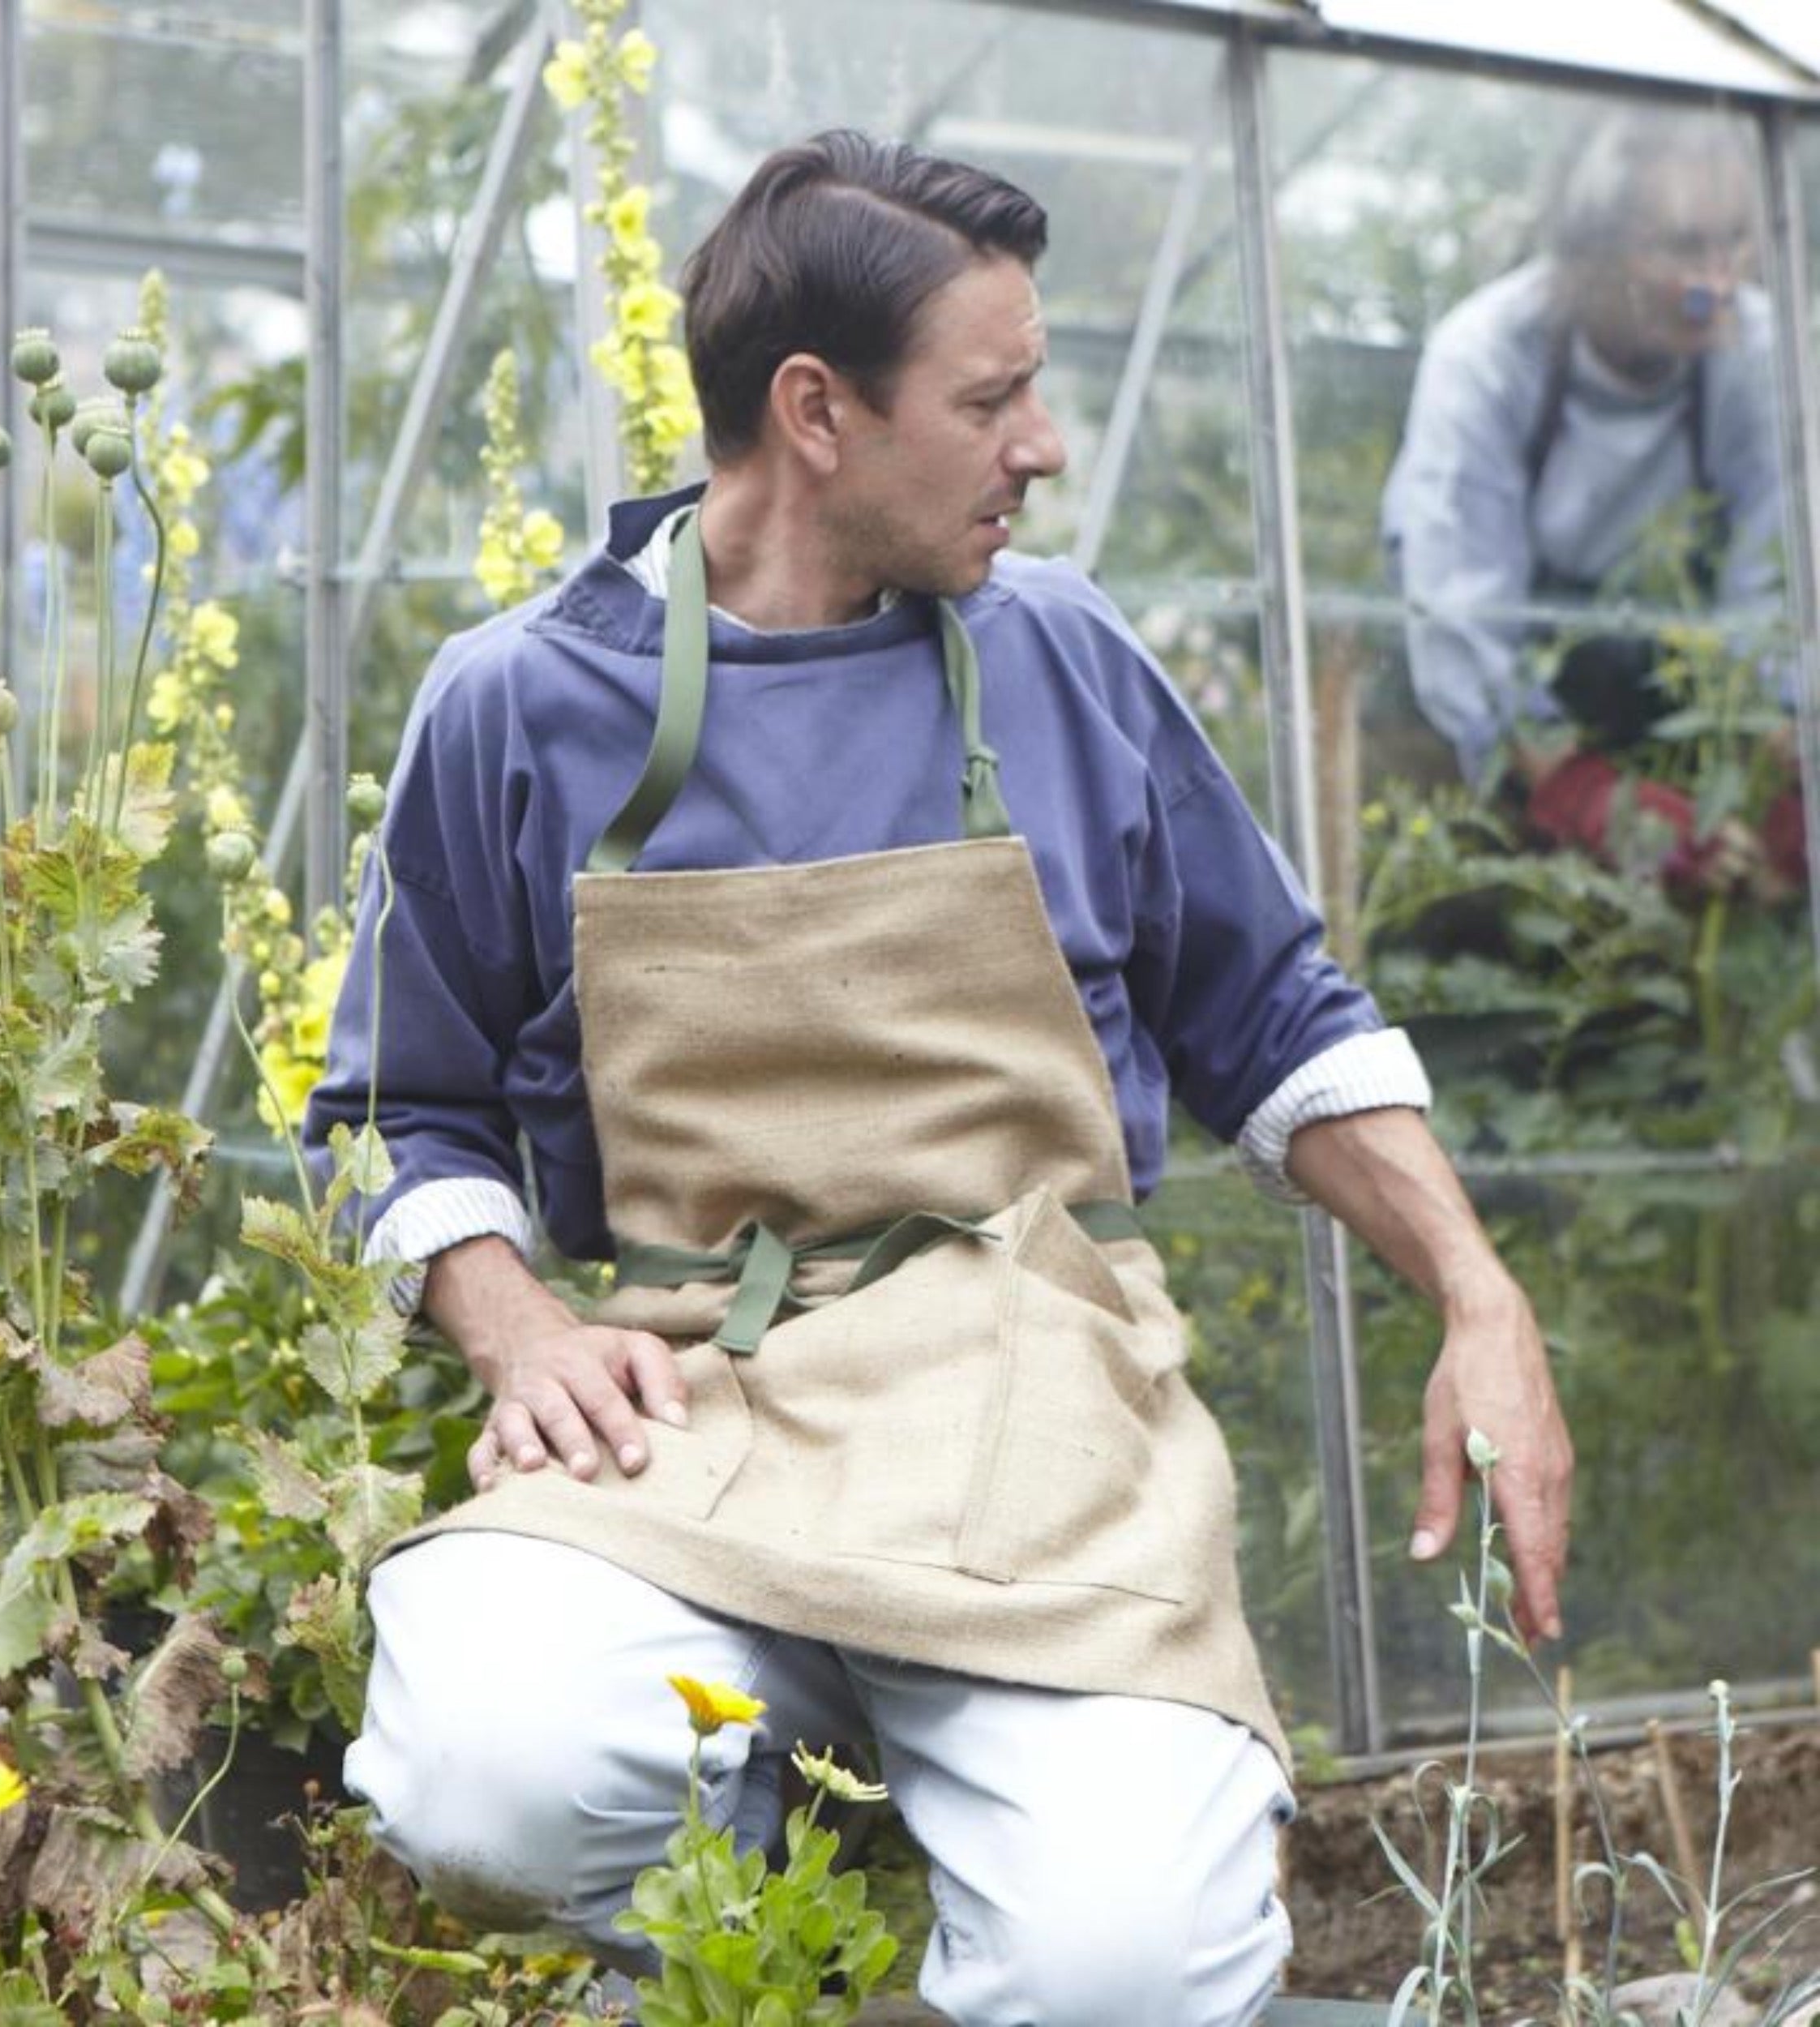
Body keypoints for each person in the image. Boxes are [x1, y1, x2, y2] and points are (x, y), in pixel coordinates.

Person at [308, 131, 1572, 2026]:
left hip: (1036, 1411)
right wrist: (518, 1334)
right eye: (992, 398)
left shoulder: (1056, 657)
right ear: (814, 410)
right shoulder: (517, 705)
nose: (1041, 443)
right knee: (492, 1776)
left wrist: (1478, 1294)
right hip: (692, 1411)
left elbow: (1285, 1019)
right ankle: (724, 1941)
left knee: (1124, 1972)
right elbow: (394, 1114)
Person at [1381, 106, 1805, 894]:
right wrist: (1591, 803)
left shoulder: (1755, 352)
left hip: (1676, 673)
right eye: (1684, 247)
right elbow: (1462, 616)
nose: (1718, 283)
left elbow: (1778, 582)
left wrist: (1783, 756)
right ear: (1590, 255)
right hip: (1506, 682)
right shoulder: (1486, 360)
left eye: (1734, 241)